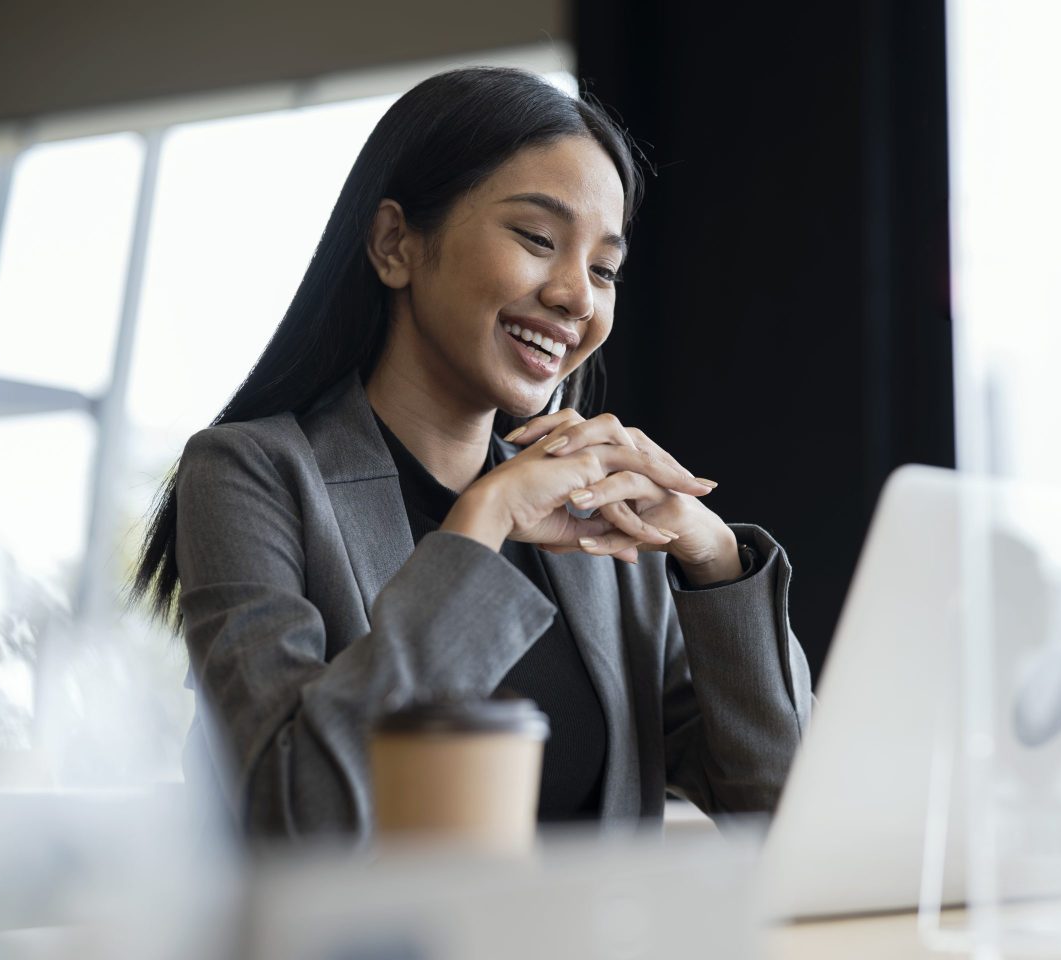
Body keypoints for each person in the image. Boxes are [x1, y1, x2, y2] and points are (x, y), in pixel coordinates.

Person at [132, 67, 812, 839]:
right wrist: (479, 527)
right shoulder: (249, 474)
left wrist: (715, 559)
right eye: (537, 239)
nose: (577, 298)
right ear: (396, 244)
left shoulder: (598, 520)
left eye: (604, 269)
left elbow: (788, 808)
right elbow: (297, 817)